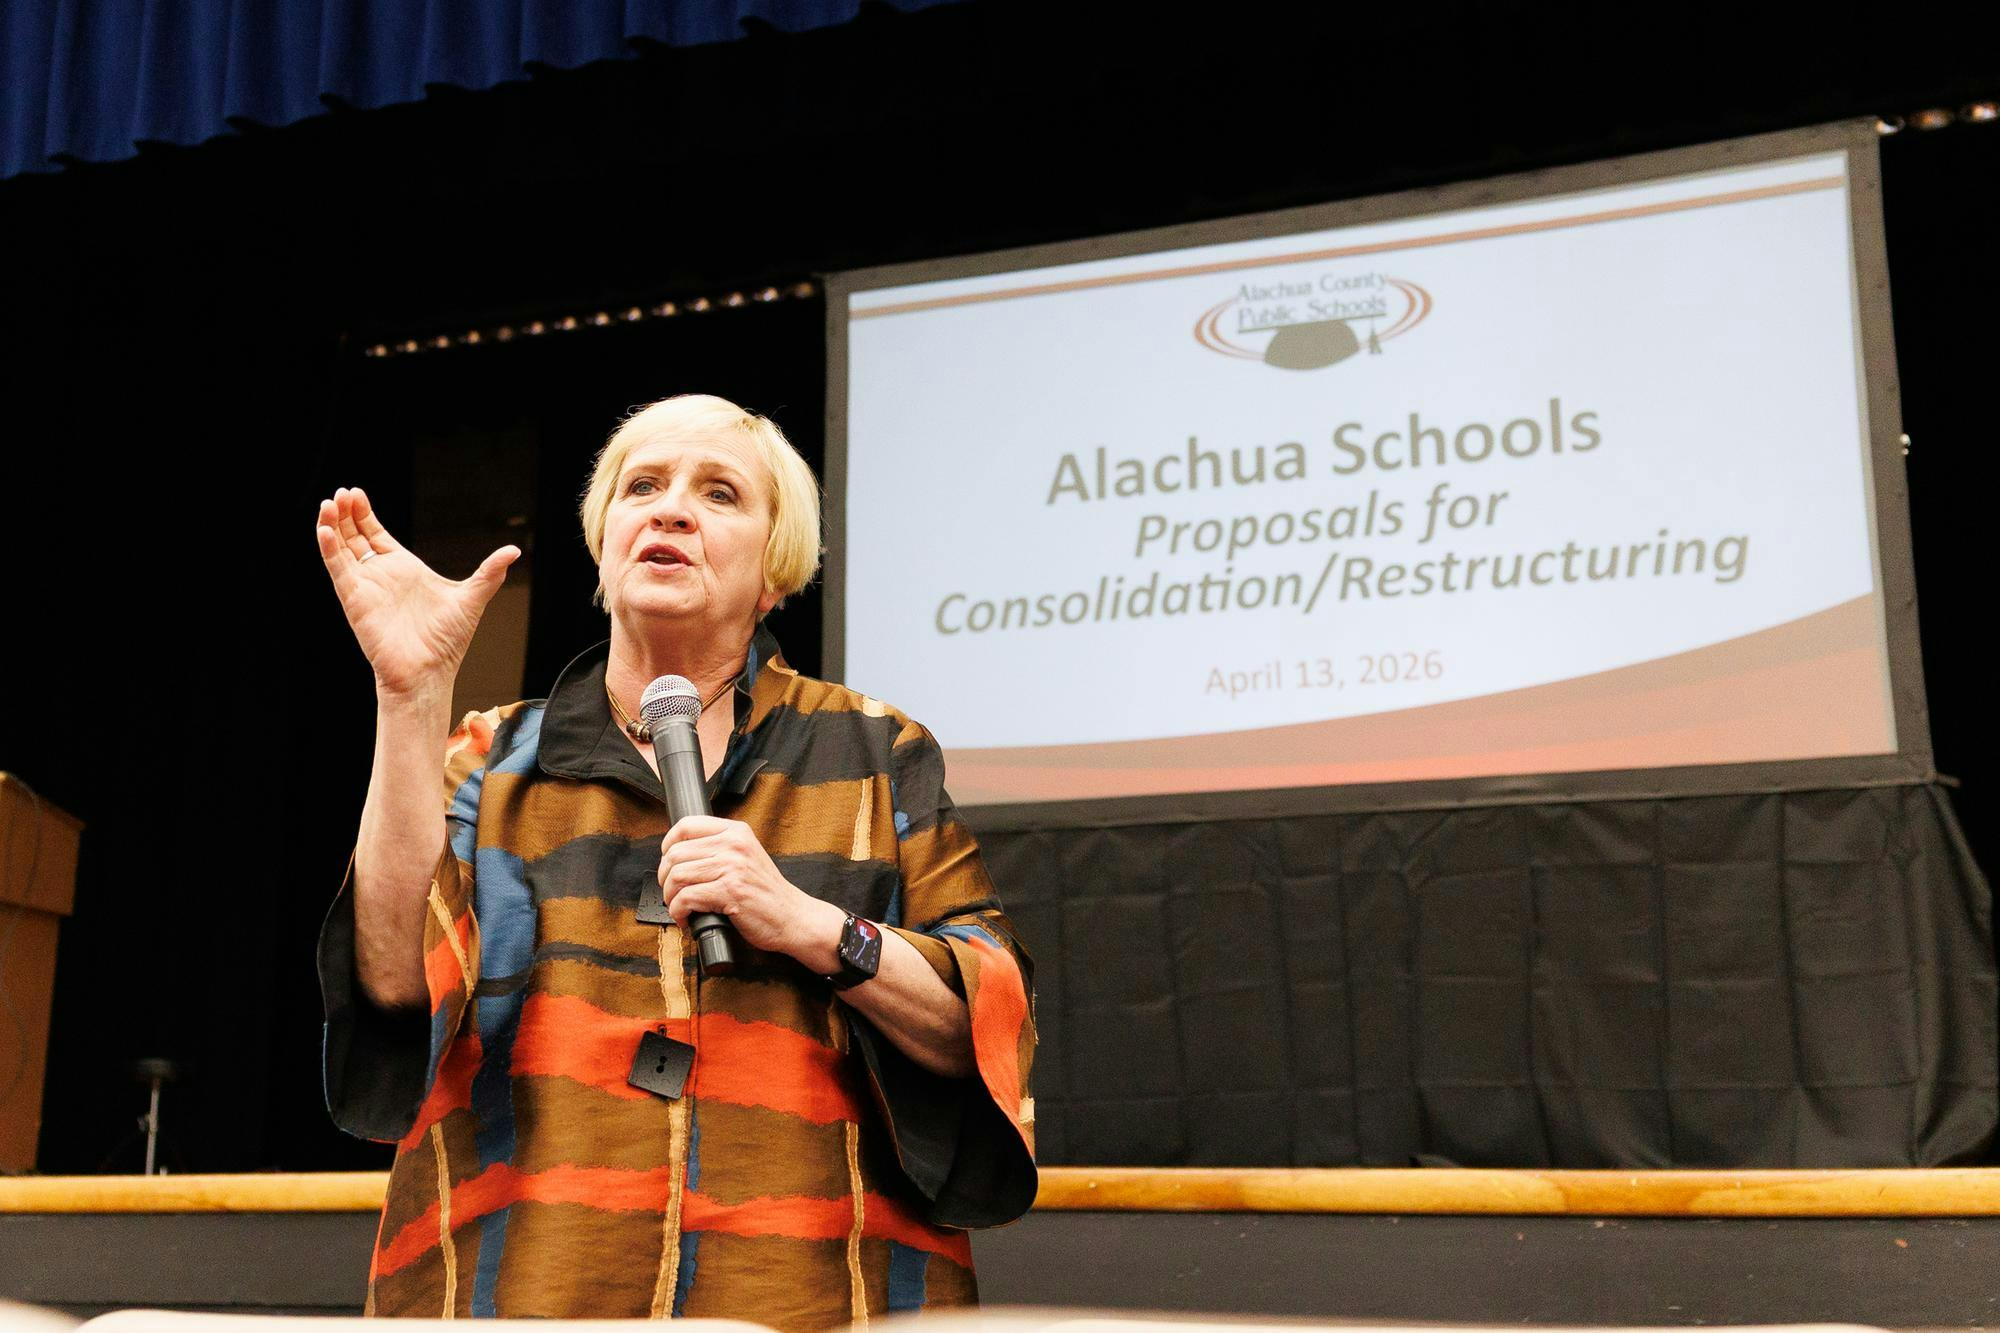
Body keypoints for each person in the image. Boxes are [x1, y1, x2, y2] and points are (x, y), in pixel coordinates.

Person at [313, 394, 1036, 1328]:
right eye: (643, 486)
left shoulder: (873, 751)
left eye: (719, 493)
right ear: (604, 545)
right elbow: (392, 983)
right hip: (525, 1287)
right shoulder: (490, 760)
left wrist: (812, 925)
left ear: (774, 571)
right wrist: (410, 698)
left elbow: (985, 1018)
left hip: (809, 1293)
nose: (672, 509)